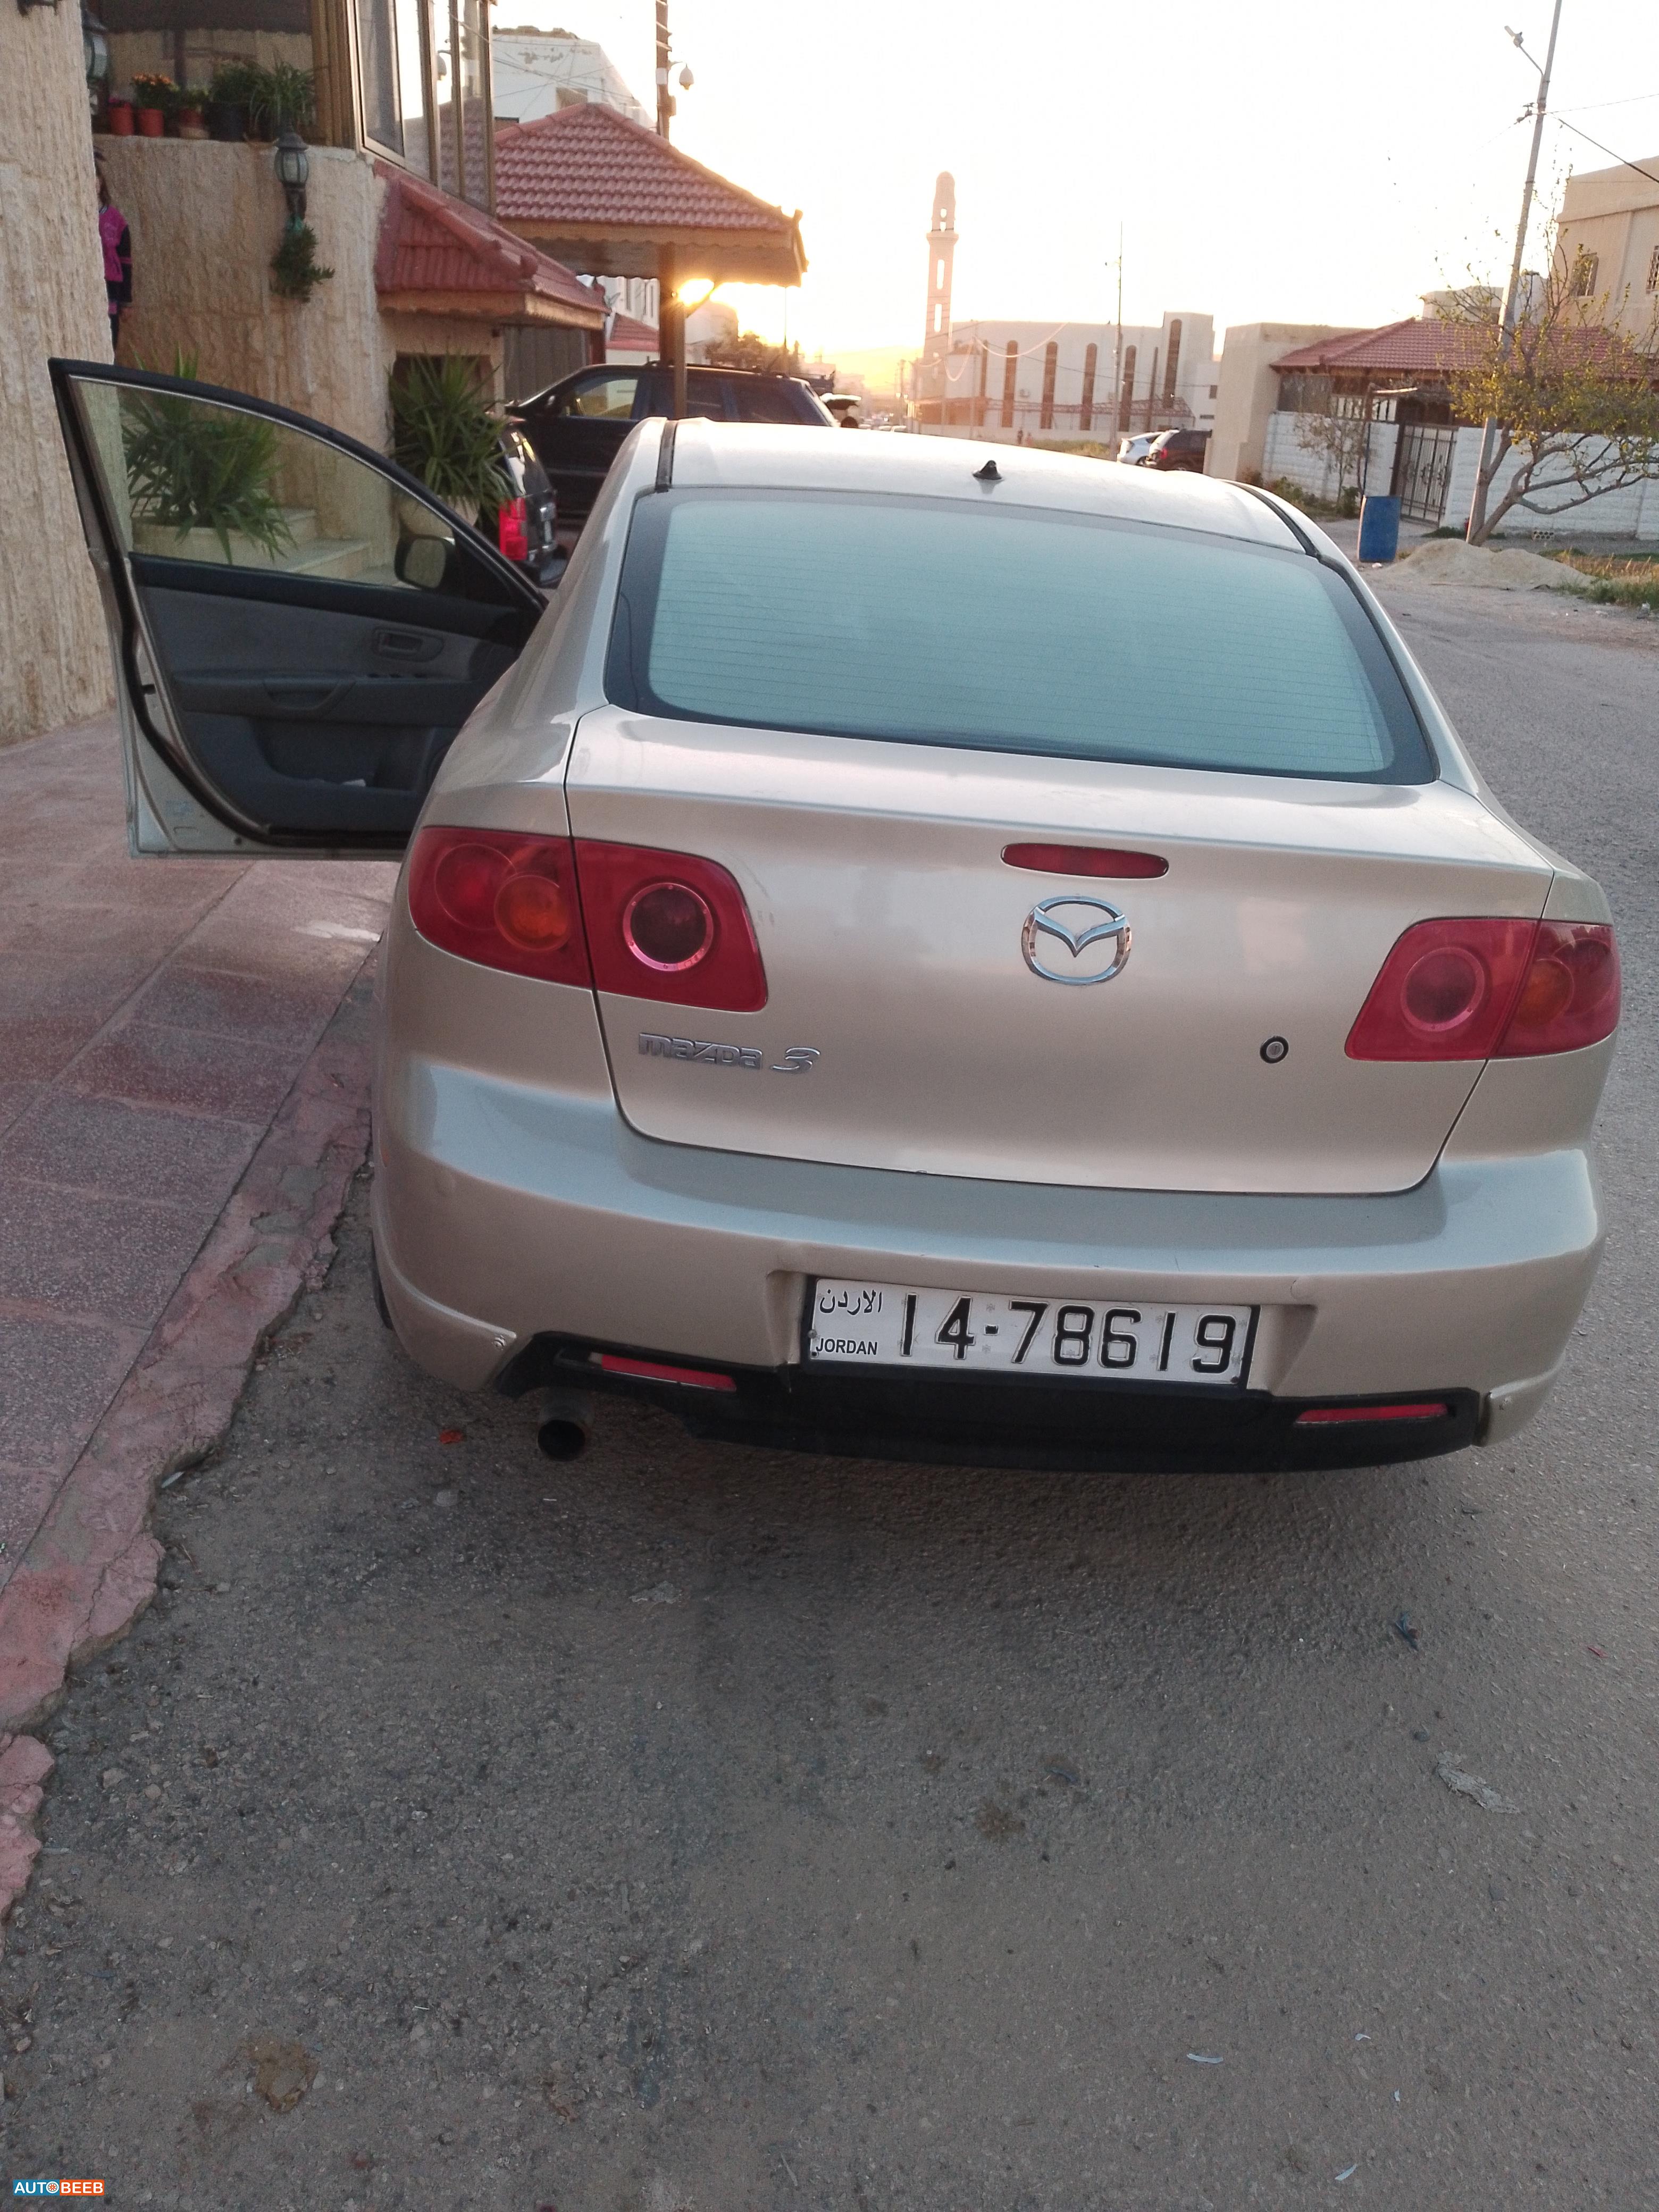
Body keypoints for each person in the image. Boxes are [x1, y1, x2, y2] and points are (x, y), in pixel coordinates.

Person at [96, 155, 132, 353]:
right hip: (91, 285)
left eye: (95, 176)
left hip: (112, 290)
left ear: (101, 181)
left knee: (110, 340)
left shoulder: (116, 221)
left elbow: (126, 262)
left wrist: (126, 301)